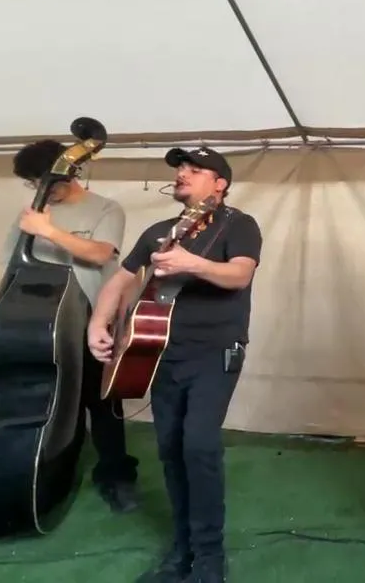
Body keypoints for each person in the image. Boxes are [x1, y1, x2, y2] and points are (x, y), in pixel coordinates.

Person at [86, 146, 262, 583]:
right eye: (180, 168)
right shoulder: (158, 231)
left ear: (220, 183)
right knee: (170, 449)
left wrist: (192, 263)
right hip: (158, 354)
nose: (182, 173)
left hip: (215, 352)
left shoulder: (239, 225)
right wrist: (98, 323)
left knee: (198, 446)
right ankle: (182, 551)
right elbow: (121, 279)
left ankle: (209, 560)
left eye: (195, 169)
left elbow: (240, 274)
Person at [5, 139, 140, 514]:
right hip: (43, 321)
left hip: (91, 319)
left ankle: (116, 476)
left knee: (103, 402)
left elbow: (99, 254)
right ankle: (52, 470)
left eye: (43, 180)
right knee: (56, 401)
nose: (40, 189)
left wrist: (47, 230)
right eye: (33, 183)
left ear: (68, 172)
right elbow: (13, 265)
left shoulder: (106, 208)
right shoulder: (34, 211)